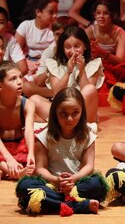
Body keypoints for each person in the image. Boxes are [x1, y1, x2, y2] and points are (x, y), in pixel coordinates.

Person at [16, 87, 107, 215]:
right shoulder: (43, 136)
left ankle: (54, 203)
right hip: (51, 184)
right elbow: (40, 168)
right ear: (55, 113)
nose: (69, 119)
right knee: (25, 185)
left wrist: (74, 179)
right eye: (63, 113)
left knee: (97, 184)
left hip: (76, 184)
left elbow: (89, 166)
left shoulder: (87, 135)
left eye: (75, 113)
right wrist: (56, 180)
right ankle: (77, 205)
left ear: (82, 112)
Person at [0, 61, 36, 180]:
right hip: (1, 148)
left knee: (39, 145)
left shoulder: (27, 104)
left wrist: (31, 153)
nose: (20, 82)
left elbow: (29, 130)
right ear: (1, 85)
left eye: (20, 77)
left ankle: (7, 170)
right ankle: (14, 172)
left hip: (19, 144)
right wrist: (9, 158)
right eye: (13, 79)